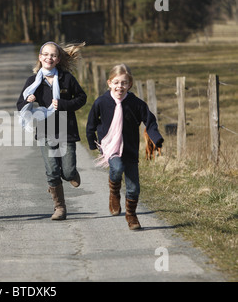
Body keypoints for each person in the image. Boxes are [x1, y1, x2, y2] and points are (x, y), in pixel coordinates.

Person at [86, 64, 163, 230]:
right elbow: (91, 122)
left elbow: (150, 121)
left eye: (124, 83)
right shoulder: (101, 102)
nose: (119, 86)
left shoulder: (136, 103)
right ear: (109, 83)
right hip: (109, 146)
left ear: (129, 84)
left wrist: (156, 139)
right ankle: (114, 192)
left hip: (130, 148)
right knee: (117, 166)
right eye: (116, 82)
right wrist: (92, 140)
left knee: (134, 187)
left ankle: (131, 215)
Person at [17, 42, 87, 220]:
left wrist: (63, 104)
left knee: (68, 171)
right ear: (40, 58)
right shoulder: (32, 82)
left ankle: (71, 173)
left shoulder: (66, 79)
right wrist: (28, 102)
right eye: (46, 54)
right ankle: (59, 208)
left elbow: (81, 98)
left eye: (53, 55)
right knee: (52, 170)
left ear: (58, 59)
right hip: (45, 130)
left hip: (66, 129)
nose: (49, 58)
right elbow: (20, 105)